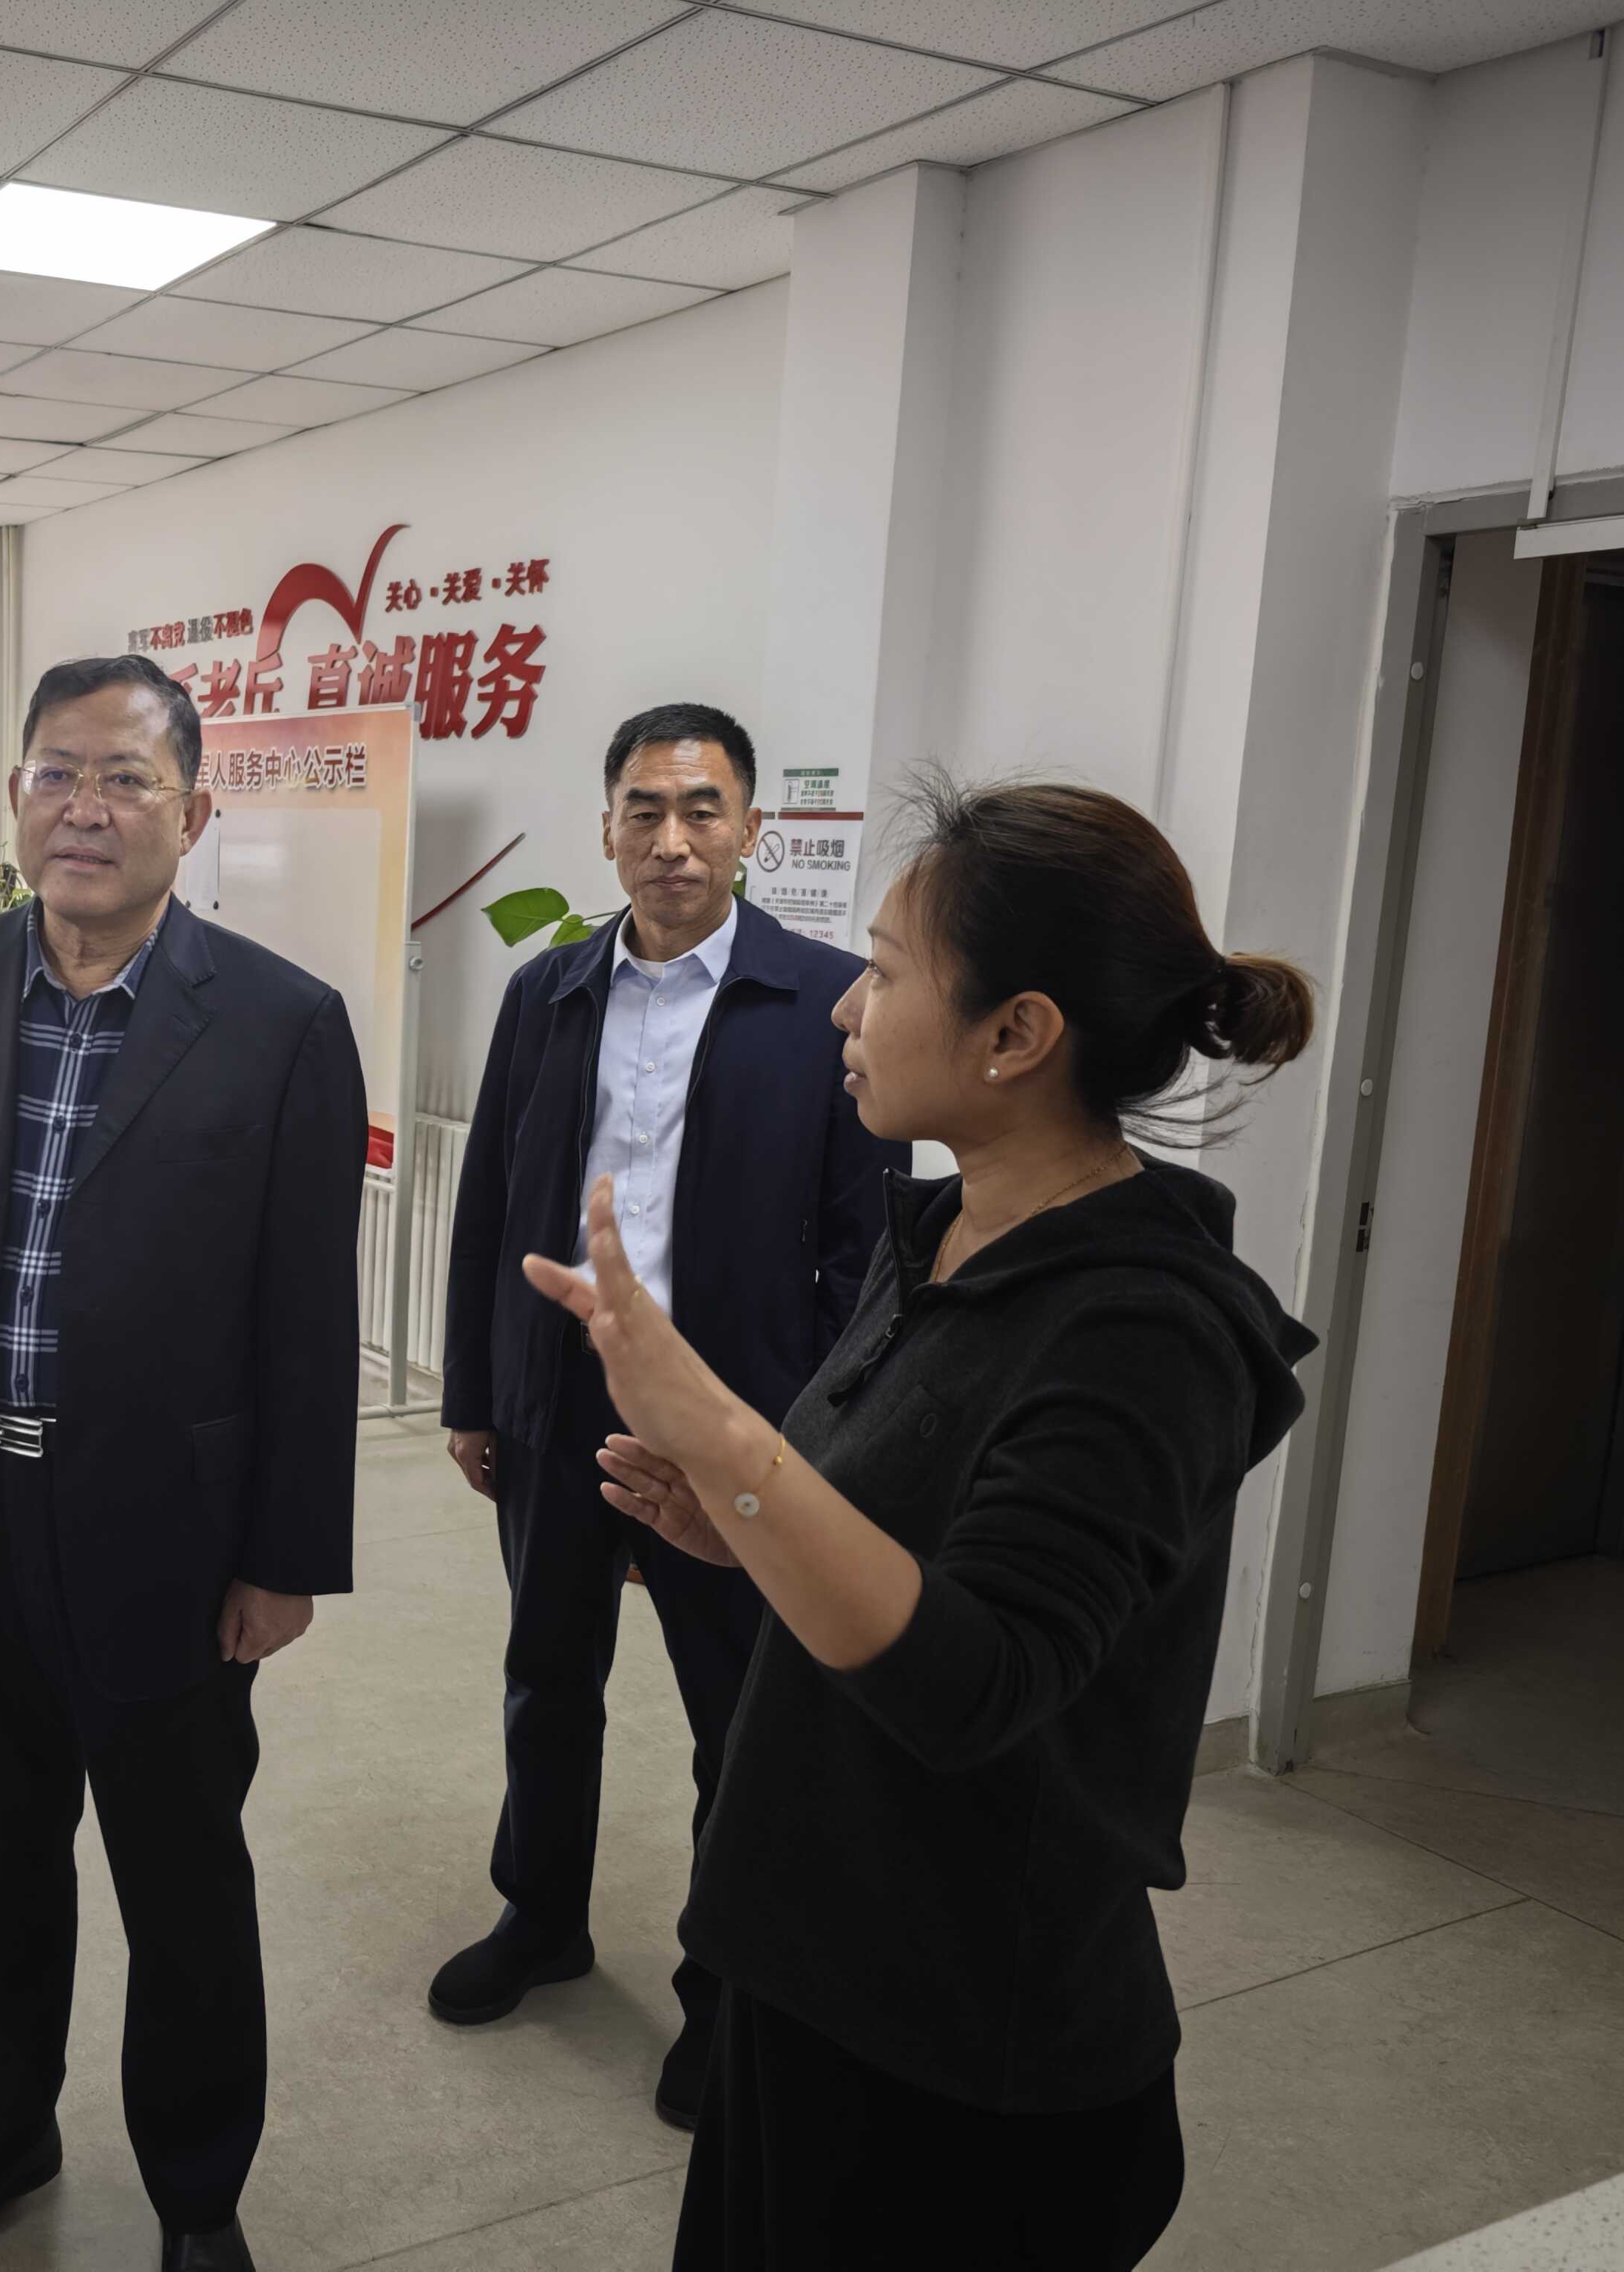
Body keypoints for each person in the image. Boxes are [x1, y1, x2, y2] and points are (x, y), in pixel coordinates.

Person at [528, 780, 1319, 2269]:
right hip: (805, 1960)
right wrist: (742, 1529)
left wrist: (723, 1435)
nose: (847, 1008)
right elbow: (892, 1540)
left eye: (884, 975)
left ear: (1013, 1035)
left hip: (964, 2053)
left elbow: (976, 1680)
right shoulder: (949, 1230)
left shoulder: (1142, 1330)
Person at [0, 654, 368, 2272]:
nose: (86, 808)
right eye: (58, 773)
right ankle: (0, 2134)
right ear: (14, 798)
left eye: (128, 779)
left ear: (190, 818)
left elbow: (305, 1321)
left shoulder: (280, 1024)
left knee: (182, 1883)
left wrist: (284, 1555)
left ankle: (198, 2196)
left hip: (169, 1537)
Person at [432, 703, 903, 2128]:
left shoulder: (825, 1002)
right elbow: (489, 1204)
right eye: (645, 810)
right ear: (608, 830)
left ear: (752, 830)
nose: (674, 840)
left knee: (737, 1717)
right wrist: (475, 1393)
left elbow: (865, 1253)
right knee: (546, 1675)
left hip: (737, 1420)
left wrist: (811, 1439)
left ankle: (725, 1988)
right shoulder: (547, 992)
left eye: (703, 810)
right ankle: (542, 1916)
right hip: (560, 1399)